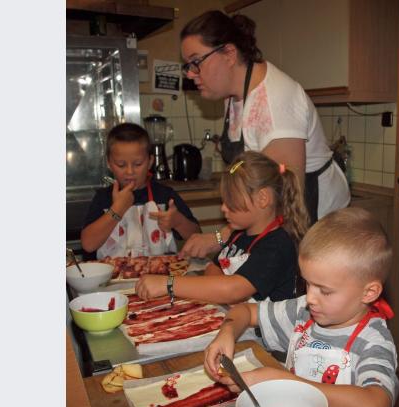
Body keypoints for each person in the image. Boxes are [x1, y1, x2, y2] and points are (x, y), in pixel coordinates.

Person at [203, 207, 398, 407]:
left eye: (324, 290)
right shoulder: (303, 312)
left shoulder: (374, 341)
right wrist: (226, 333)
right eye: (307, 283)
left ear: (369, 292)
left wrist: (285, 382)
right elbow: (245, 311)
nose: (310, 298)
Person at [178, 10, 350, 258]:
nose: (190, 74)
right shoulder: (234, 96)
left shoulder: (276, 102)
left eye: (196, 63)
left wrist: (220, 238)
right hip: (273, 217)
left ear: (228, 53)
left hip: (316, 224)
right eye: (187, 66)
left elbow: (283, 193)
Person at [135, 152, 309, 304]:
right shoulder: (238, 235)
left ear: (262, 198)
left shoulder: (277, 245)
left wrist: (169, 284)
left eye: (231, 201)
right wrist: (221, 286)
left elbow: (232, 290)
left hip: (264, 339)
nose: (223, 208)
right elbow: (213, 269)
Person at [81, 123, 201, 259]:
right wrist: (117, 210)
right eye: (121, 165)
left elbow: (197, 236)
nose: (130, 171)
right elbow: (88, 244)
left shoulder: (164, 195)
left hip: (159, 277)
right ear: (109, 163)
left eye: (138, 164)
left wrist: (178, 222)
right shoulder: (103, 198)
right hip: (112, 278)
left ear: (150, 162)